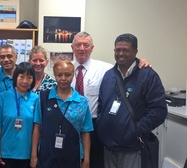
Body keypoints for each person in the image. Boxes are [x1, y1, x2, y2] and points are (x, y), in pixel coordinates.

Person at [70, 31, 151, 168]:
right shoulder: (66, 69)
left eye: (86, 45)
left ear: (92, 48)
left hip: (95, 128)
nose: (82, 48)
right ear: (72, 48)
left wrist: (141, 62)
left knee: (96, 163)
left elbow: (126, 64)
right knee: (71, 161)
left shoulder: (105, 69)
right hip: (71, 125)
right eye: (78, 45)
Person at [96, 33, 167, 168]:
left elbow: (159, 111)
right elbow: (101, 105)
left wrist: (135, 131)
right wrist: (101, 125)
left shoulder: (148, 76)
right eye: (117, 50)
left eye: (125, 50)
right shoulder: (108, 75)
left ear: (135, 51)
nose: (120, 53)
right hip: (109, 147)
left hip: (132, 148)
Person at [31, 60, 93, 168]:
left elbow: (85, 132)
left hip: (73, 156)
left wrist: (86, 159)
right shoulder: (43, 98)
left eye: (68, 75)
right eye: (59, 75)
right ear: (54, 75)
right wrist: (33, 155)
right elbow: (37, 127)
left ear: (73, 75)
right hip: (47, 156)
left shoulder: (82, 102)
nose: (63, 78)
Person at [0, 62, 39, 168]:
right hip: (5, 153)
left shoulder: (36, 99)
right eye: (21, 77)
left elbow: (36, 128)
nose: (25, 81)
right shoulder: (3, 97)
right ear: (15, 77)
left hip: (26, 154)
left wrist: (34, 155)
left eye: (29, 77)